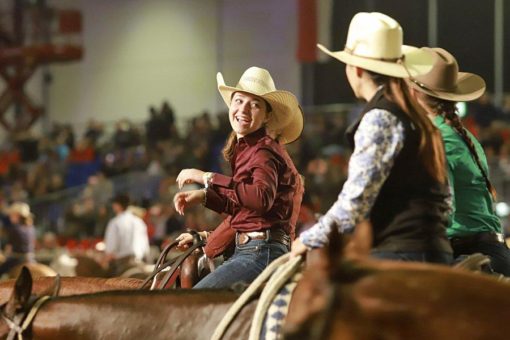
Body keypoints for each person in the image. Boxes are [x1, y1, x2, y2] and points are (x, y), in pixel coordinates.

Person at [290, 12, 453, 263]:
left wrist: (308, 239)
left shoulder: (380, 118)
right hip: (435, 249)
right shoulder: (417, 118)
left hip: (400, 250)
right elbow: (446, 203)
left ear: (354, 69)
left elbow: (354, 203)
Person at [173, 66, 304, 288]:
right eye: (239, 101)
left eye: (254, 104)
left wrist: (205, 177)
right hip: (254, 249)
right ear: (231, 105)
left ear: (266, 116)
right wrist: (205, 196)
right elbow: (247, 206)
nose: (243, 109)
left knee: (194, 302)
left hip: (260, 251)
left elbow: (260, 199)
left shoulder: (263, 151)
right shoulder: (252, 149)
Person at [407, 47, 510, 276]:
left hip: (469, 254)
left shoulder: (437, 138)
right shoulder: (462, 135)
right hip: (491, 252)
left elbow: (444, 208)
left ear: (413, 94)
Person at [103, 193, 150, 275]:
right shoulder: (139, 221)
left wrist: (104, 262)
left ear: (118, 206)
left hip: (122, 263)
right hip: (139, 262)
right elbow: (145, 248)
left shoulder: (115, 223)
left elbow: (111, 248)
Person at [0, 202, 36, 276]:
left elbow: (9, 248)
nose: (10, 217)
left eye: (11, 215)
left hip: (17, 260)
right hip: (30, 259)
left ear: (17, 215)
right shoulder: (31, 228)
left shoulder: (14, 229)